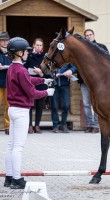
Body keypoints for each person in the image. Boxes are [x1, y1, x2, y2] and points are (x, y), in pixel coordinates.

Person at [4, 37, 54, 189]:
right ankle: (17, 180)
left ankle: (9, 176)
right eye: (26, 51)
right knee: (18, 147)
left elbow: (27, 80)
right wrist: (47, 92)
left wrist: (43, 80)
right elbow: (32, 93)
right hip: (21, 111)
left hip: (13, 109)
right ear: (19, 53)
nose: (27, 53)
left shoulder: (13, 68)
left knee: (11, 145)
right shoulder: (21, 70)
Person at [77, 29, 109, 133]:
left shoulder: (101, 48)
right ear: (84, 37)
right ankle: (89, 124)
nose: (89, 37)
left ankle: (96, 125)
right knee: (86, 103)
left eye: (90, 35)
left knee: (97, 103)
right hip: (85, 81)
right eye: (86, 35)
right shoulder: (81, 50)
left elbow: (108, 62)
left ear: (94, 36)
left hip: (99, 82)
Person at [24, 38, 48, 133]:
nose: (38, 47)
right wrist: (32, 70)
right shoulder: (28, 55)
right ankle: (29, 125)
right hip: (30, 82)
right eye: (37, 45)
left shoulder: (45, 56)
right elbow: (24, 68)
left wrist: (41, 73)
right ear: (33, 45)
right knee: (30, 104)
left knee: (39, 105)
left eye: (40, 45)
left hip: (41, 82)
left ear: (42, 47)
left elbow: (48, 71)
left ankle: (37, 125)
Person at [51, 63, 77, 133]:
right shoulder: (52, 56)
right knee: (54, 106)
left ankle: (63, 124)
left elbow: (74, 67)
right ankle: (55, 126)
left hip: (65, 84)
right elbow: (46, 68)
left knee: (66, 105)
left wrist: (71, 70)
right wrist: (52, 74)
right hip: (54, 84)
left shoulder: (67, 58)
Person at [0, 32, 11, 135]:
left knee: (8, 106)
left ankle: (8, 127)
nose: (4, 42)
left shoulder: (11, 52)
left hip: (8, 83)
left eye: (6, 40)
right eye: (2, 40)